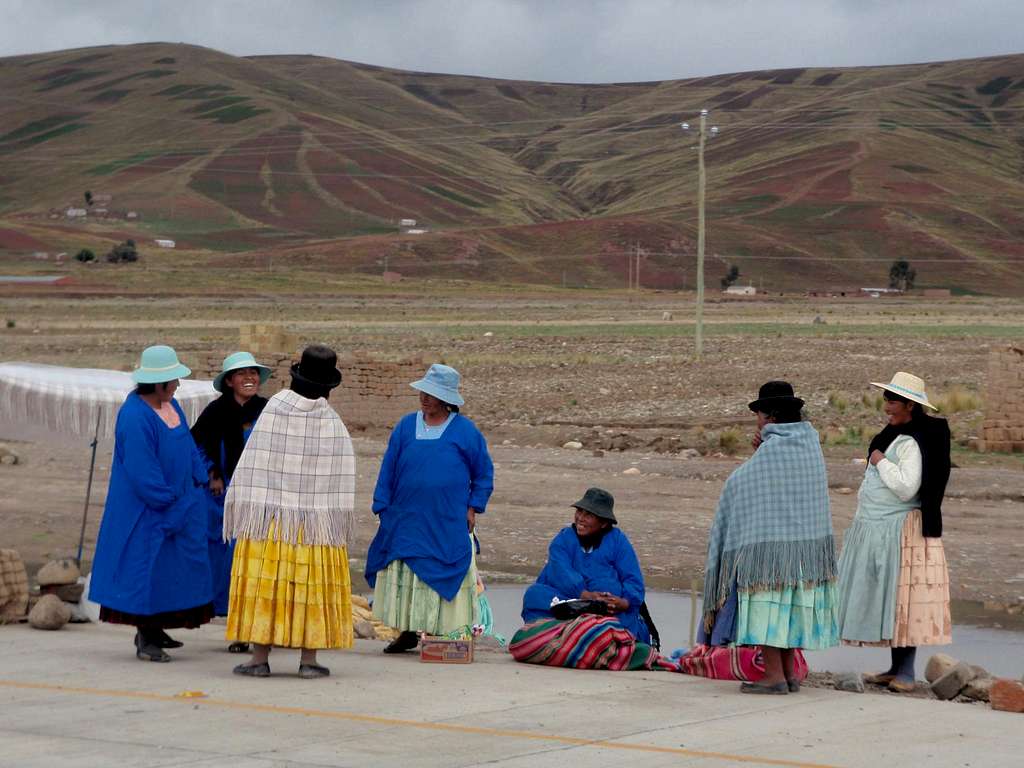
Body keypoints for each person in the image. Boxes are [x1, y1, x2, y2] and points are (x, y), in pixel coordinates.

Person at [223, 345, 355, 679]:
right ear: (328, 386)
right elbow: (339, 476)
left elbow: (254, 463)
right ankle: (308, 660)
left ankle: (259, 659)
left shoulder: (274, 409)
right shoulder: (331, 421)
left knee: (266, 588)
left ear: (296, 377)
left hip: (271, 523)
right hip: (315, 527)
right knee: (310, 588)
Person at [700, 381, 839, 694]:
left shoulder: (774, 449)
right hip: (806, 553)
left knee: (768, 609)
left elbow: (741, 484)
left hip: (768, 551)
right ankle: (789, 673)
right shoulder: (809, 444)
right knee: (790, 610)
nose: (758, 423)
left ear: (771, 417)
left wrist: (761, 453)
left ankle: (773, 676)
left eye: (759, 416)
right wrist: (761, 451)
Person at [89, 345, 213, 662]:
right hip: (148, 511)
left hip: (180, 505)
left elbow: (187, 446)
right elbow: (142, 469)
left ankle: (158, 628)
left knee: (171, 571)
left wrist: (200, 478)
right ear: (158, 383)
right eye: (174, 380)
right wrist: (167, 501)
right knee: (146, 571)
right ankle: (145, 636)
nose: (178, 385)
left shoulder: (172, 408)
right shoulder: (134, 416)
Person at [365, 363, 494, 653]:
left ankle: (440, 633)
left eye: (432, 394)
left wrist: (473, 507)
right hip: (406, 514)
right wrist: (382, 504)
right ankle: (407, 631)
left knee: (443, 568)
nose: (425, 398)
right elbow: (389, 467)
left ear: (446, 399)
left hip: (446, 516)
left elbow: (483, 473)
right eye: (424, 391)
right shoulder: (405, 426)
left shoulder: (465, 431)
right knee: (406, 571)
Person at [836, 372, 952, 693]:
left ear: (910, 406)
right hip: (880, 528)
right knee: (891, 599)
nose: (886, 405)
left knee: (904, 599)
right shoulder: (894, 434)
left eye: (892, 400)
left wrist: (881, 461)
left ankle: (906, 672)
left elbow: (905, 487)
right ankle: (894, 667)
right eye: (886, 398)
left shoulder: (912, 441)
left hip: (900, 531)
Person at [190, 351, 272, 653]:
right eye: (242, 373)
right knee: (224, 562)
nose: (249, 378)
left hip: (258, 499)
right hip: (220, 500)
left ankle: (252, 628)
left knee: (253, 560)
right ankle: (234, 624)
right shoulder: (214, 412)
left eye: (253, 373)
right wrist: (211, 472)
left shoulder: (268, 411)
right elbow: (196, 447)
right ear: (229, 381)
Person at [521, 487, 651, 644]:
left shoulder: (618, 541)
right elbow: (561, 571)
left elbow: (633, 578)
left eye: (588, 515)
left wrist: (623, 603)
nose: (580, 518)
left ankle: (597, 633)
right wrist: (586, 597)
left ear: (603, 523)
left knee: (610, 587)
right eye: (579, 512)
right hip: (568, 601)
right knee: (535, 594)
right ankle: (580, 631)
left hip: (608, 610)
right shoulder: (563, 539)